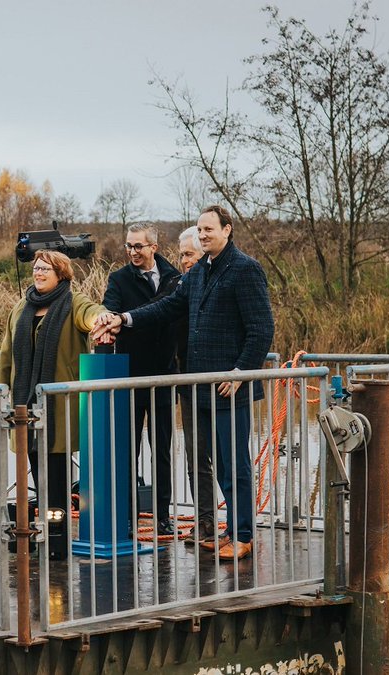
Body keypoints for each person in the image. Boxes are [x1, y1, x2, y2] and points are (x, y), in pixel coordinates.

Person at [92, 206, 273, 561]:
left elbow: (261, 328)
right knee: (217, 465)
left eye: (209, 229)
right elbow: (167, 307)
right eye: (200, 230)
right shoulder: (200, 271)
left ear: (227, 230)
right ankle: (228, 529)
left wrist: (241, 373)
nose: (203, 235)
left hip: (229, 385)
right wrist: (123, 319)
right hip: (199, 385)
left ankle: (243, 534)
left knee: (234, 464)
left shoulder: (246, 269)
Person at [0, 249, 112, 559]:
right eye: (36, 268)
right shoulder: (22, 306)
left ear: (62, 273)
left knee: (57, 474)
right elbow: (7, 353)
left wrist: (101, 317)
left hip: (58, 407)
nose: (38, 273)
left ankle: (57, 544)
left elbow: (91, 312)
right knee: (35, 470)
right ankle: (39, 533)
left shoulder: (73, 303)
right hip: (25, 406)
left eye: (45, 268)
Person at [101, 223, 181, 536]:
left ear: (154, 247)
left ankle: (162, 515)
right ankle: (127, 514)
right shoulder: (119, 279)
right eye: (129, 246)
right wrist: (109, 319)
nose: (133, 252)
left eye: (139, 246)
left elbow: (172, 313)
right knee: (127, 449)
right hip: (130, 377)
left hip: (163, 376)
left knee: (161, 449)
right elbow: (110, 308)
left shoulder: (175, 277)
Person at [169, 226, 215, 542]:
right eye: (182, 255)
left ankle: (240, 527)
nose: (184, 261)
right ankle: (205, 522)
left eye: (189, 254)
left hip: (220, 384)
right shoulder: (180, 286)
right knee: (195, 457)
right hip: (188, 382)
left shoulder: (219, 282)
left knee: (226, 459)